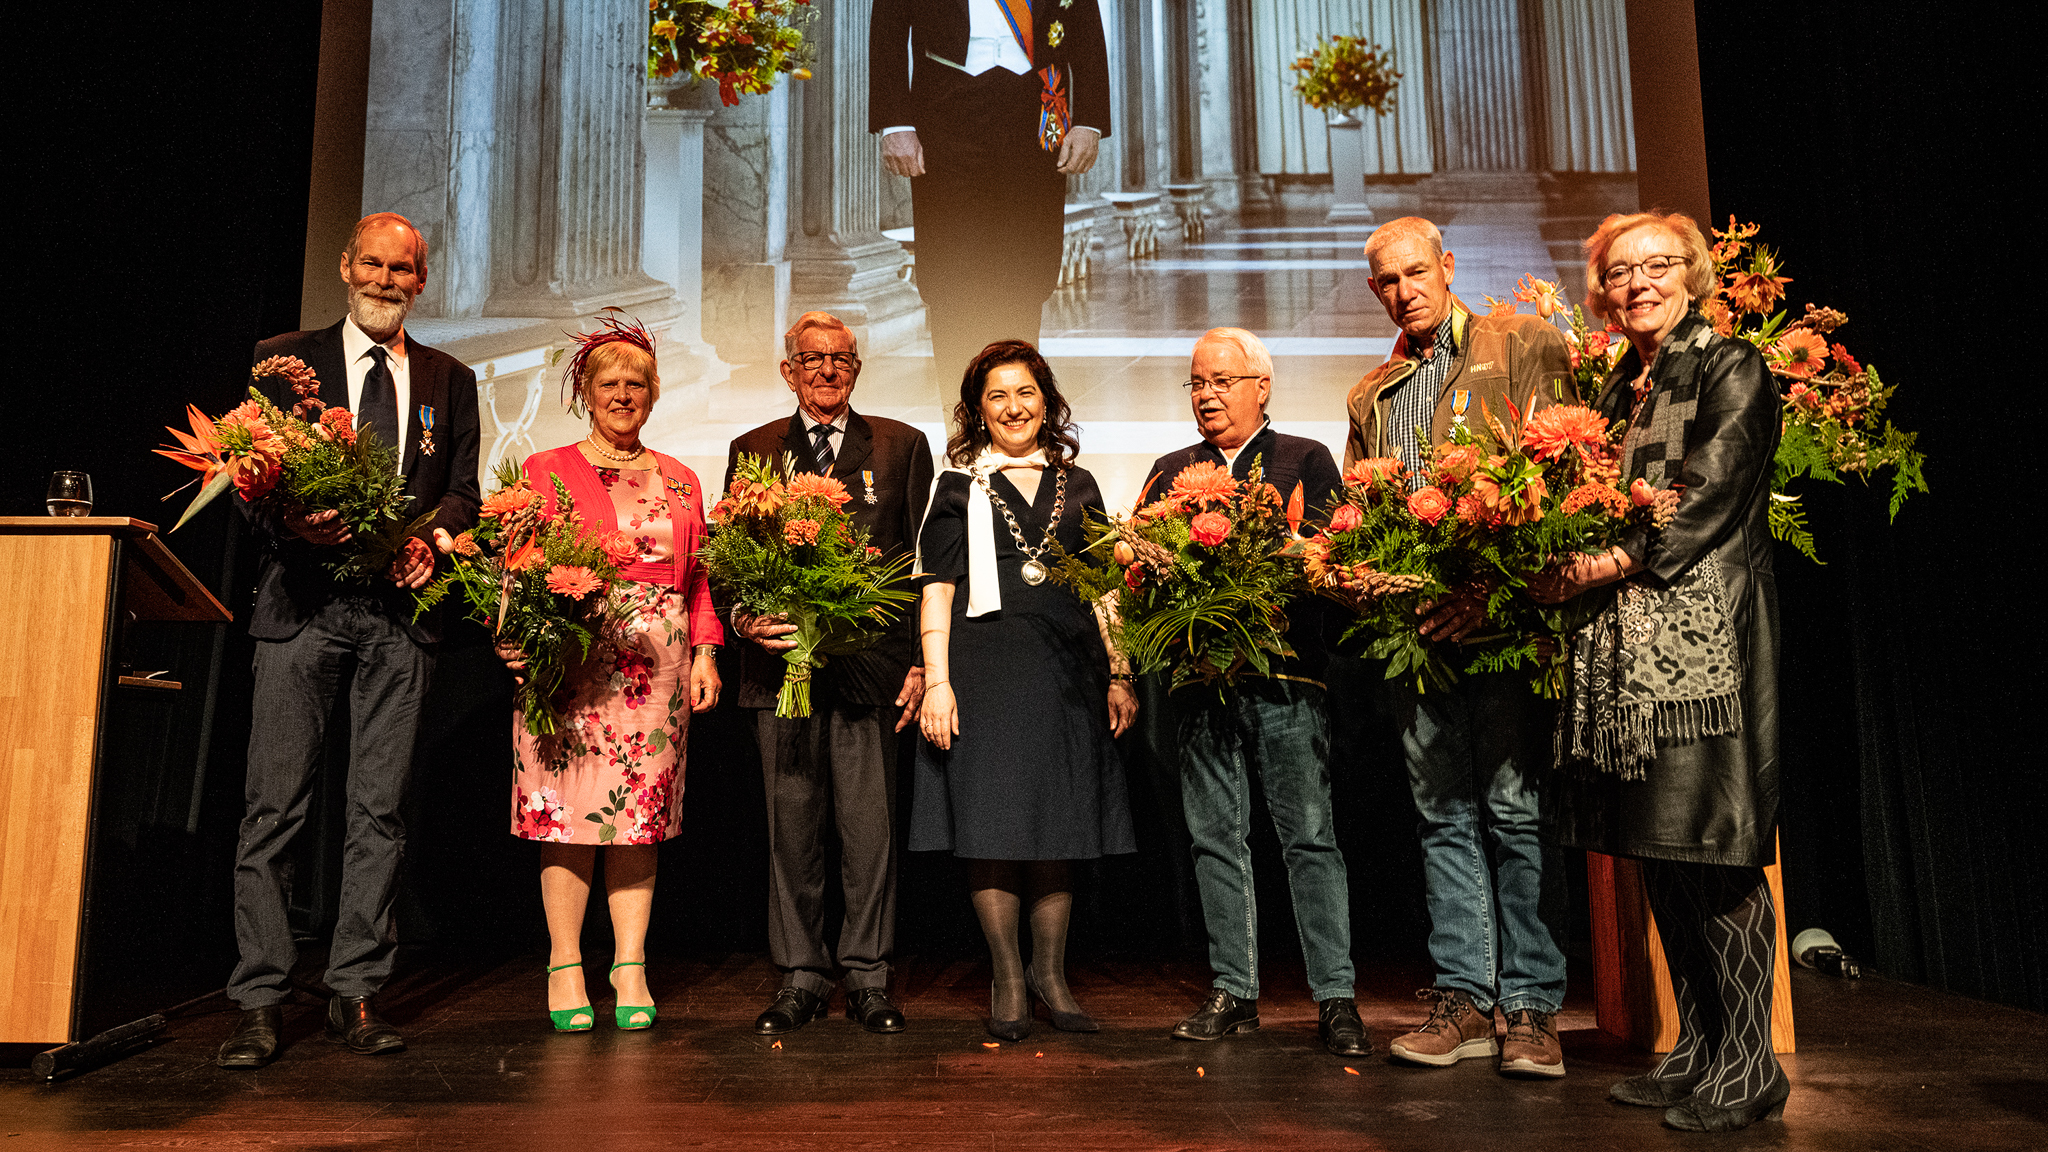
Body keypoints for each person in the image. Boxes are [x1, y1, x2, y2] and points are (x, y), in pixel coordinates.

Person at [1530, 210, 1788, 1132]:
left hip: (1701, 641)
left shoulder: (1730, 366)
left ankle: (1751, 1063)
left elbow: (1713, 486)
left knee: (1712, 846)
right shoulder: (1611, 388)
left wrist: (1610, 560)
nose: (1638, 282)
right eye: (1621, 270)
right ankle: (1704, 1047)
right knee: (1663, 849)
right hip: (1621, 651)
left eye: (1658, 265)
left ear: (1693, 275)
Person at [216, 212, 480, 1068]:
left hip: (400, 622)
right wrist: (292, 514)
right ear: (344, 266)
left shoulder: (450, 377)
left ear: (422, 280)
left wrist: (427, 540)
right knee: (274, 809)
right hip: (301, 608)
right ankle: (258, 998)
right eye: (372, 263)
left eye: (403, 269)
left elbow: (464, 494)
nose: (386, 279)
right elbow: (246, 489)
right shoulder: (279, 359)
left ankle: (355, 990)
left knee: (381, 811)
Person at [1344, 216, 1576, 1078]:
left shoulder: (1521, 342)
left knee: (1515, 813)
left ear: (1447, 266)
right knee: (1442, 816)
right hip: (1417, 637)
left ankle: (1531, 1008)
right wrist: (1356, 575)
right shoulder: (1373, 393)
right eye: (1387, 282)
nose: (1405, 291)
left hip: (1504, 627)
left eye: (1416, 272)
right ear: (1375, 292)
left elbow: (1563, 483)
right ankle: (1465, 999)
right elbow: (1362, 518)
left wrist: (1489, 594)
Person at [1146, 328, 1367, 1059]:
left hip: (1288, 681)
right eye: (1196, 383)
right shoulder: (1171, 471)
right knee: (1215, 840)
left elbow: (1338, 560)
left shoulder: (1306, 459)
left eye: (1220, 380)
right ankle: (1234, 990)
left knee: (1309, 839)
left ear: (1260, 386)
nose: (1206, 395)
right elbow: (1137, 564)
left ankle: (1335, 999)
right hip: (1200, 685)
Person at [498, 315, 723, 1033]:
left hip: (655, 672)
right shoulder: (547, 468)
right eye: (609, 383)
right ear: (585, 393)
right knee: (565, 817)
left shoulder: (682, 480)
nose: (623, 394)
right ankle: (566, 963)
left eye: (636, 384)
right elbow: (520, 567)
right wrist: (521, 640)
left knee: (640, 818)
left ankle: (629, 964)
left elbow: (702, 583)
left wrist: (708, 653)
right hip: (572, 664)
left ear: (653, 395)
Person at [913, 341, 1137, 1042]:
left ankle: (1052, 976)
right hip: (983, 671)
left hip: (1067, 674)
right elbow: (937, 595)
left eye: (1026, 393)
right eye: (997, 397)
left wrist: (1121, 669)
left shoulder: (1084, 484)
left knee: (1057, 826)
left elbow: (1105, 590)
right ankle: (1009, 977)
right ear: (978, 411)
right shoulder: (957, 486)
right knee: (993, 825)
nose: (1014, 408)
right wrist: (938, 685)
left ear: (1048, 402)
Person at [725, 312, 934, 1035]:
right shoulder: (752, 450)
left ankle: (870, 977)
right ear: (789, 371)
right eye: (811, 360)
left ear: (857, 368)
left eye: (840, 359)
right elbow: (729, 564)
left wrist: (917, 661)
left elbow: (918, 565)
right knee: (792, 830)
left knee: (869, 831)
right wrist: (744, 620)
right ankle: (802, 975)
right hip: (779, 673)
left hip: (869, 674)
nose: (826, 371)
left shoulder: (903, 447)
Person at [870, 0, 1109, 371]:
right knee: (952, 273)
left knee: (1025, 270)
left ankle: (1017, 416)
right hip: (945, 111)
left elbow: (1086, 26)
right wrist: (894, 121)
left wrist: (1090, 119)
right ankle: (961, 416)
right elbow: (888, 27)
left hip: (1036, 110)